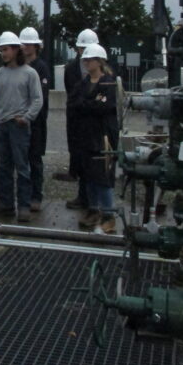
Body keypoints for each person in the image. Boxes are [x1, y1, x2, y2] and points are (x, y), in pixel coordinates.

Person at [0, 31, 43, 222]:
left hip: (18, 126)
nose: (3, 53)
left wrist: (26, 118)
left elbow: (37, 99)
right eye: (1, 50)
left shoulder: (30, 73)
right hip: (1, 125)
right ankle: (7, 204)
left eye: (6, 49)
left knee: (22, 166)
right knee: (3, 167)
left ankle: (24, 206)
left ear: (16, 49)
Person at [67, 43, 119, 233]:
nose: (87, 63)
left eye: (90, 60)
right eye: (85, 60)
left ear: (99, 61)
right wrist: (92, 103)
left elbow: (105, 107)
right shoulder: (82, 84)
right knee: (88, 175)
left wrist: (87, 105)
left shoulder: (108, 83)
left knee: (102, 176)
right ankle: (93, 209)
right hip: (85, 136)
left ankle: (109, 215)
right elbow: (74, 104)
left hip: (102, 137)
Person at [64, 28, 99, 212]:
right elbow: (72, 95)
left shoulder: (104, 73)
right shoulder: (71, 69)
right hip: (77, 122)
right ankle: (83, 196)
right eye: (82, 49)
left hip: (96, 124)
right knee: (80, 158)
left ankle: (95, 200)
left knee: (96, 161)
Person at [19, 27, 51, 212]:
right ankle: (20, 194)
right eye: (23, 44)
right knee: (18, 158)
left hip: (36, 121)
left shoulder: (41, 67)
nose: (25, 47)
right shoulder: (17, 66)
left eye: (29, 44)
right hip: (19, 120)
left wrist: (29, 113)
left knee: (35, 159)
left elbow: (41, 96)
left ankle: (36, 195)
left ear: (36, 46)